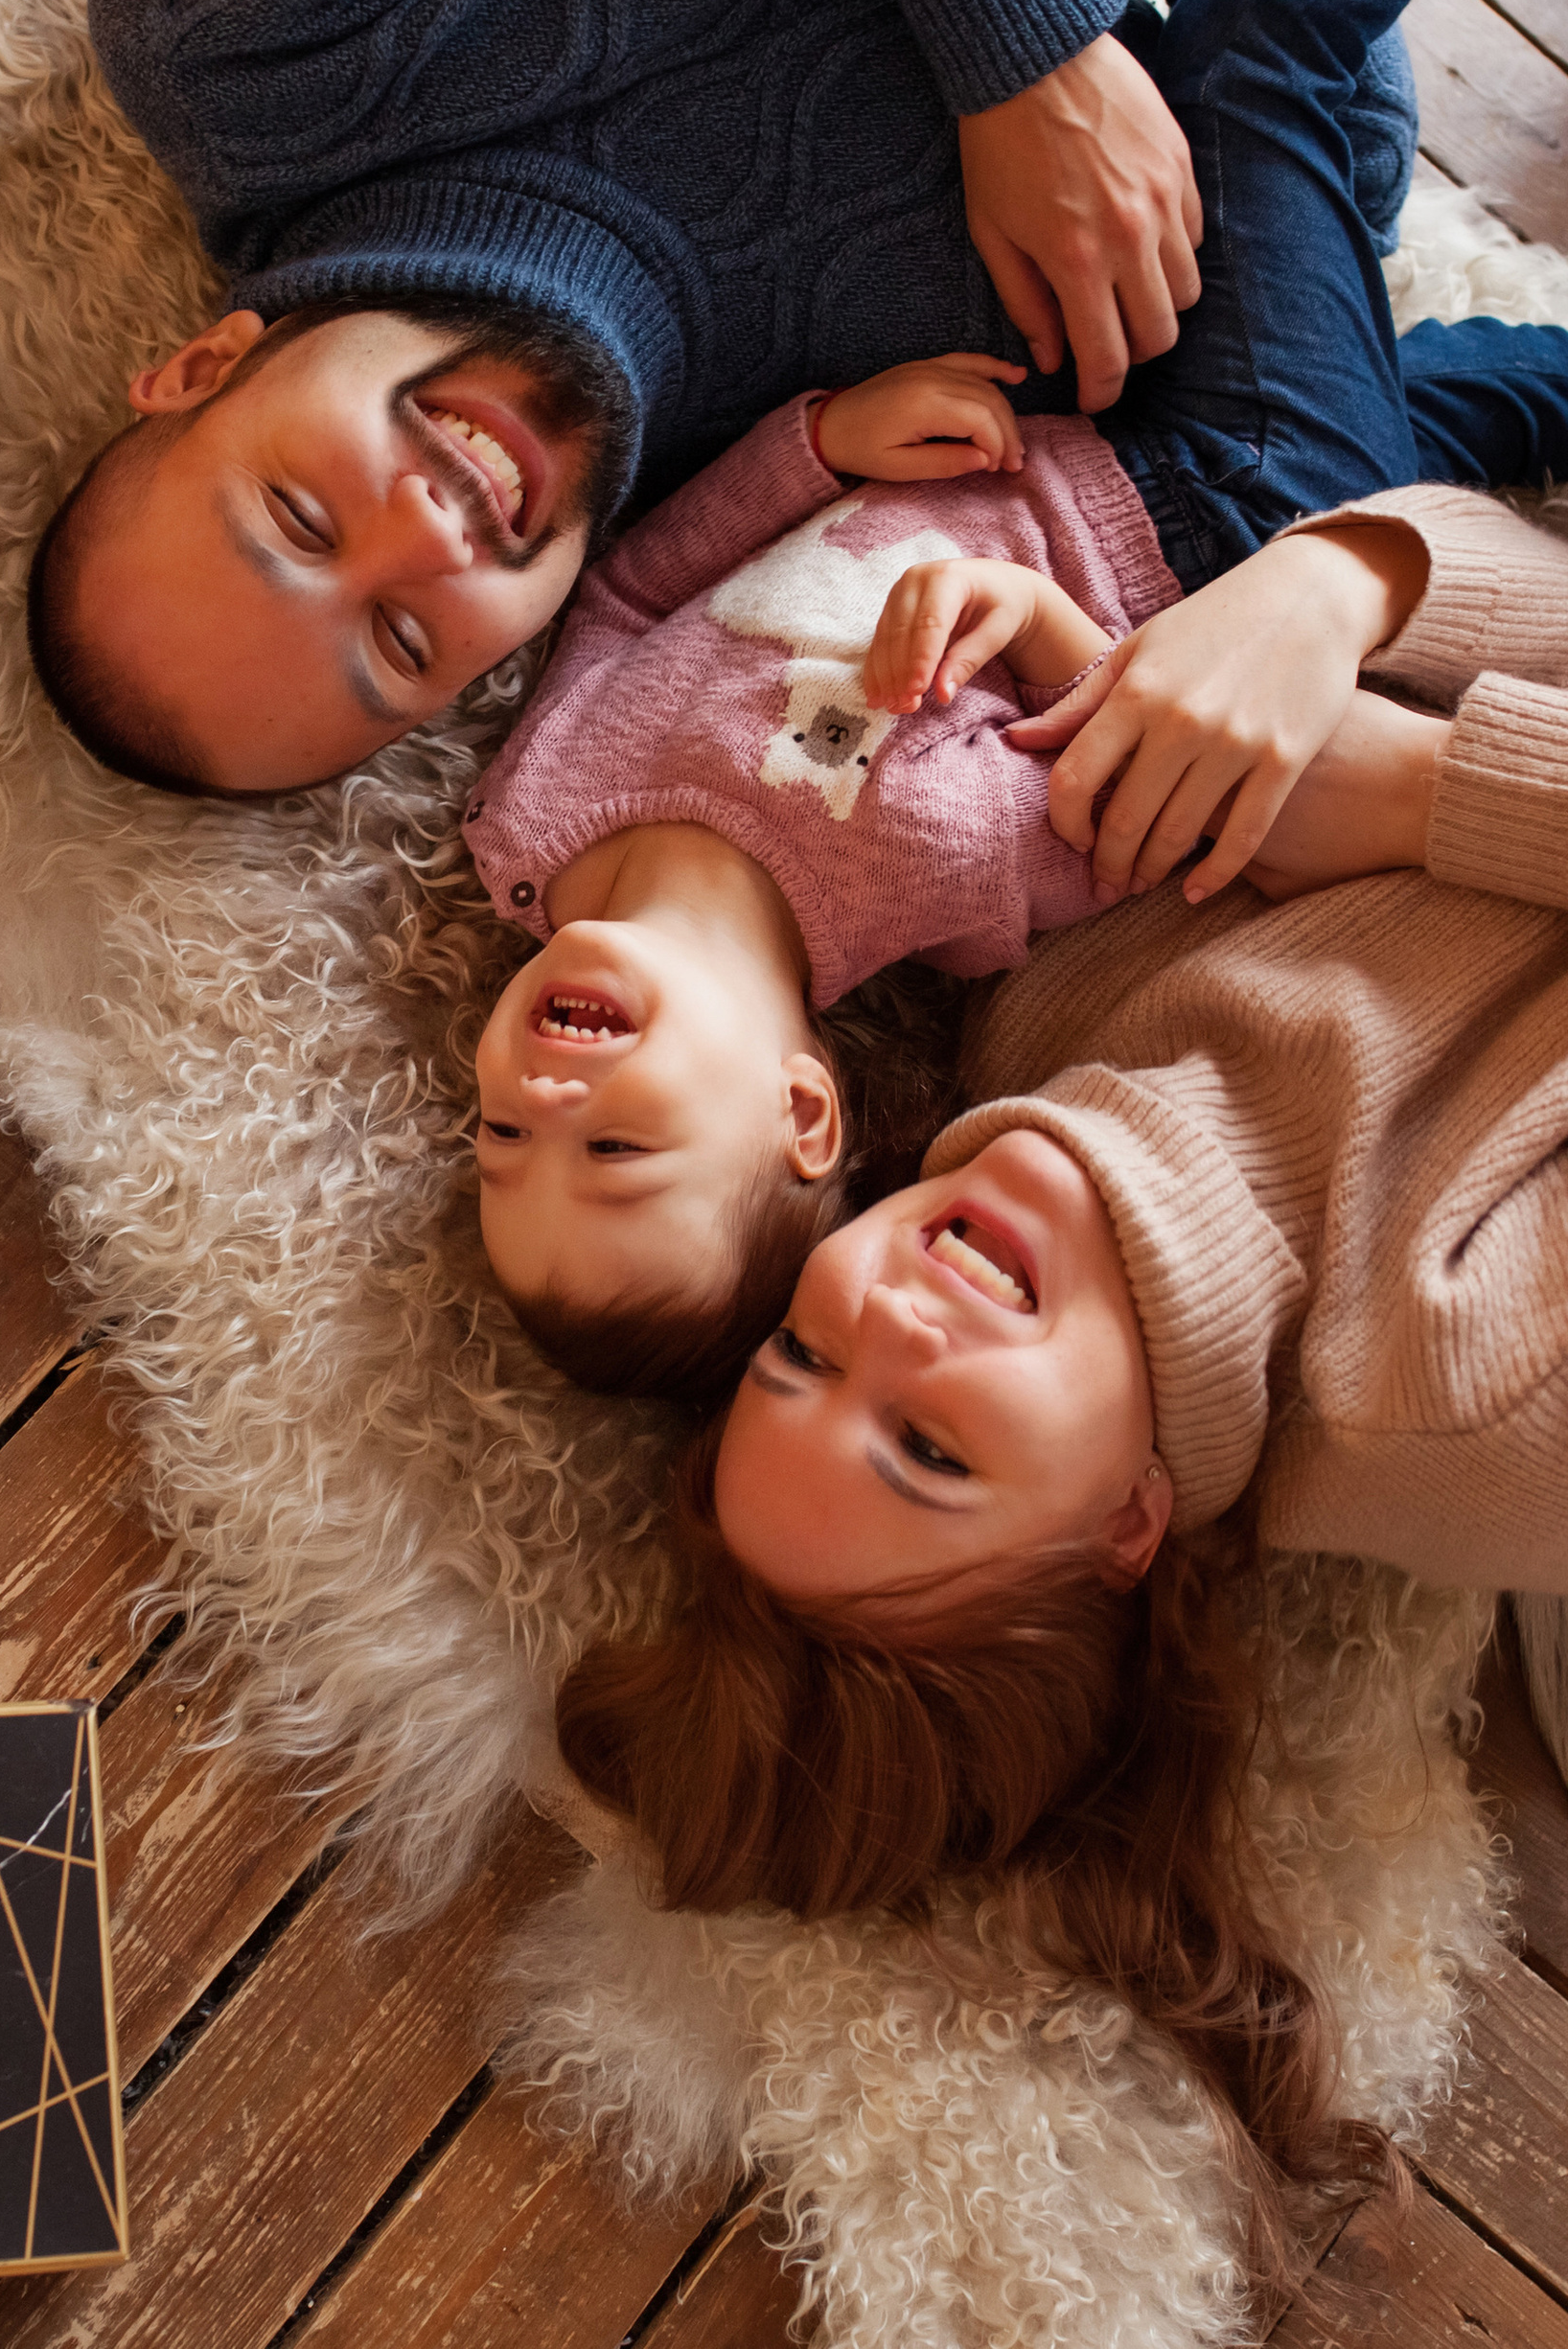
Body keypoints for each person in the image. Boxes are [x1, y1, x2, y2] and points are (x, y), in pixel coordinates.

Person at [551, 476, 1568, 2285]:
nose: (888, 1314)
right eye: (931, 1447)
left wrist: (1320, 592)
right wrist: (1412, 780)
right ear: (1124, 1528)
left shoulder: (1039, 1029)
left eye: (802, 1353)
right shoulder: (1477, 1392)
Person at [463, 0, 1568, 1395]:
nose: (545, 1092)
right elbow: (1159, 783)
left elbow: (624, 593)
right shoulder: (937, 873)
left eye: (504, 1141)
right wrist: (1050, 637)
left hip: (1069, 407)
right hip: (1241, 509)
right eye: (615, 1144)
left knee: (1424, 389)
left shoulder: (526, 824)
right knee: (1256, 57)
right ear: (802, 1112)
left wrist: (814, 447)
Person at [33, 0, 1411, 794]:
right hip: (1207, 19)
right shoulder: (788, 525)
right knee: (1296, 522)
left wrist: (1022, 34)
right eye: (401, 639)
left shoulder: (240, 30)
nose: (432, 535)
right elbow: (1292, 387)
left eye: (299, 511)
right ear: (486, 677)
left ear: (205, 365)